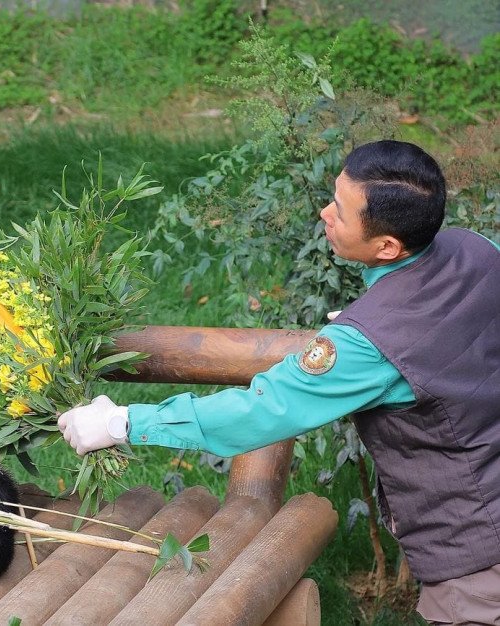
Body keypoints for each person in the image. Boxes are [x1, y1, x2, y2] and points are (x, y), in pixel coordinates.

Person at [58, 140, 500, 624]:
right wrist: (371, 328)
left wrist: (121, 422)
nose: (325, 212)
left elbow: (261, 411)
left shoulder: (365, 346)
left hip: (477, 556)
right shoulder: (474, 248)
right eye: (334, 194)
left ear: (387, 247)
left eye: (342, 211)